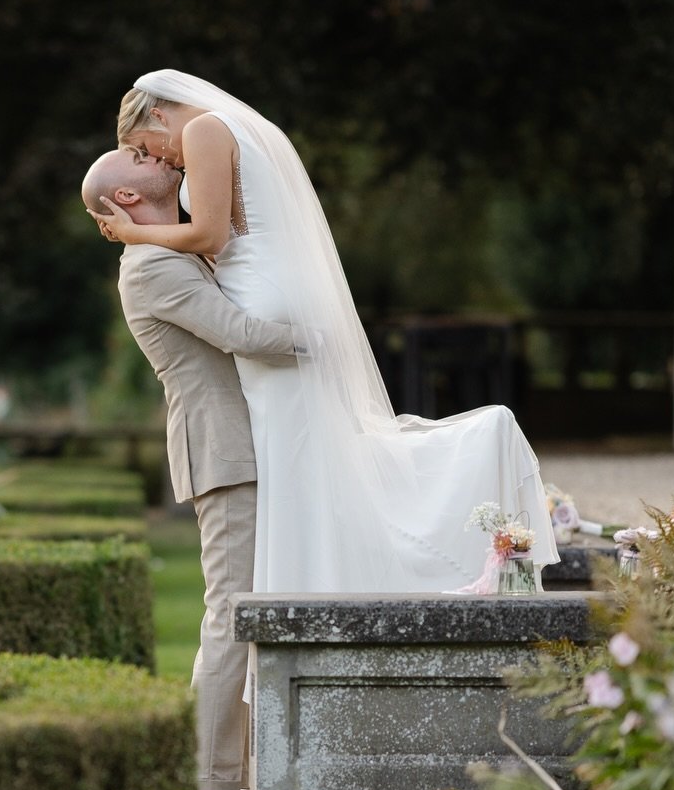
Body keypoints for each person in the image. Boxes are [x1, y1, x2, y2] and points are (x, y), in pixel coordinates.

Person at [93, 70, 558, 596]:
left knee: (296, 462)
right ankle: (316, 591)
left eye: (145, 147)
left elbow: (210, 234)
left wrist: (135, 232)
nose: (161, 159)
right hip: (273, 285)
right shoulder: (245, 130)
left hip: (259, 295)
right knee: (311, 455)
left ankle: (314, 590)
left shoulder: (201, 130)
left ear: (157, 114)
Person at [82, 145, 302, 790]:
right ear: (123, 198)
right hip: (224, 452)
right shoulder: (150, 267)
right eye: (138, 157)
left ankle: (231, 779)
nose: (158, 156)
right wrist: (333, 340)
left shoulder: (171, 248)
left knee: (245, 610)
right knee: (230, 614)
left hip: (247, 444)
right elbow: (242, 336)